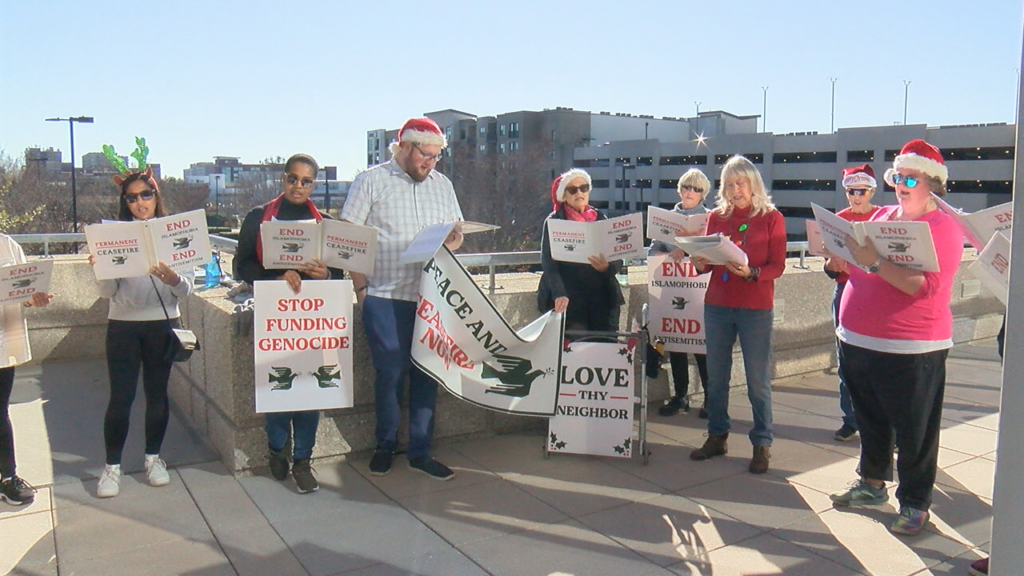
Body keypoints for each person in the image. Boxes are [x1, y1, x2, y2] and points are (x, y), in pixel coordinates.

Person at [828, 139, 964, 536]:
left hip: (912, 346)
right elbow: (857, 271)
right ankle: (871, 485)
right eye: (896, 177)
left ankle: (914, 501)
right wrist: (841, 260)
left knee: (914, 429)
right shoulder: (883, 215)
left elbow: (925, 288)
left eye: (910, 177)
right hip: (856, 337)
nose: (900, 184)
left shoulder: (944, 226)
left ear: (934, 183)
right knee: (869, 419)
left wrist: (872, 261)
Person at [341, 118, 464, 481]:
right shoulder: (371, 181)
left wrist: (451, 240)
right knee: (390, 371)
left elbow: (457, 235)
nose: (431, 163)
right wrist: (361, 290)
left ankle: (420, 451)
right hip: (383, 294)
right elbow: (349, 240)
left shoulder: (442, 185)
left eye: (437, 157)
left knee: (428, 372)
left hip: (430, 296)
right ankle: (384, 445)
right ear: (406, 148)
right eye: (426, 155)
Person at [235, 153, 342, 494]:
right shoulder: (258, 217)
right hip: (275, 316)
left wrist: (325, 273)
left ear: (314, 184)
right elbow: (242, 266)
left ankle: (303, 460)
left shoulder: (324, 223)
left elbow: (337, 273)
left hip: (312, 318)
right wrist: (277, 275)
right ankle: (276, 449)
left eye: (306, 181)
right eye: (293, 179)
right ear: (284, 179)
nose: (299, 186)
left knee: (310, 390)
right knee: (278, 389)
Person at [91, 167, 195, 498]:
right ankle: (112, 468)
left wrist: (172, 279)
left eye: (145, 195)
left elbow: (187, 289)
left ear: (156, 197)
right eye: (132, 197)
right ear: (125, 202)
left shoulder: (175, 233)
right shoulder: (115, 234)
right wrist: (100, 268)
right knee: (121, 397)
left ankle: (153, 458)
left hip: (161, 324)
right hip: (123, 324)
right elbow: (106, 293)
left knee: (157, 394)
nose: (140, 202)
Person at [688, 155, 786, 474]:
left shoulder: (771, 217)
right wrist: (700, 262)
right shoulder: (715, 217)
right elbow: (706, 259)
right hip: (717, 303)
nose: (734, 190)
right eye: (728, 184)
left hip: (755, 308)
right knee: (716, 376)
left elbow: (778, 266)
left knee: (757, 380)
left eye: (740, 183)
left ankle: (761, 444)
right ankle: (717, 436)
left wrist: (752, 272)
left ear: (753, 183)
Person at [823, 164, 881, 441]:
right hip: (846, 291)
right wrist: (831, 264)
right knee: (846, 361)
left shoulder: (884, 218)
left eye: (861, 191)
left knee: (880, 362)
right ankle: (851, 419)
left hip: (878, 294)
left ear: (871, 191)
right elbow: (832, 271)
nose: (856, 197)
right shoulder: (838, 220)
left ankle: (884, 426)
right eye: (850, 191)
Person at [647, 169, 710, 417]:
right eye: (686, 187)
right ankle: (680, 395)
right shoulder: (667, 219)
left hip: (700, 292)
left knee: (702, 345)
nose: (690, 192)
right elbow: (653, 252)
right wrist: (667, 255)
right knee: (676, 344)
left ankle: (710, 397)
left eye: (696, 189)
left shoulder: (710, 219)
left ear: (703, 193)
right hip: (672, 290)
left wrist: (685, 251)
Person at [538, 168, 625, 335]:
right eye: (573, 189)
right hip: (570, 297)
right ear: (564, 195)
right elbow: (548, 262)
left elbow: (617, 257)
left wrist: (606, 267)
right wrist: (559, 293)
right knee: (574, 350)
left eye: (584, 188)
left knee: (603, 346)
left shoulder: (600, 217)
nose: (579, 193)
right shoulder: (554, 221)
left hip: (602, 297)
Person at [0, 237, 52, 506]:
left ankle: (8, 477)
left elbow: (24, 294)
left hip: (2, 343)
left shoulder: (7, 245)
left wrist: (34, 300)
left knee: (0, 411)